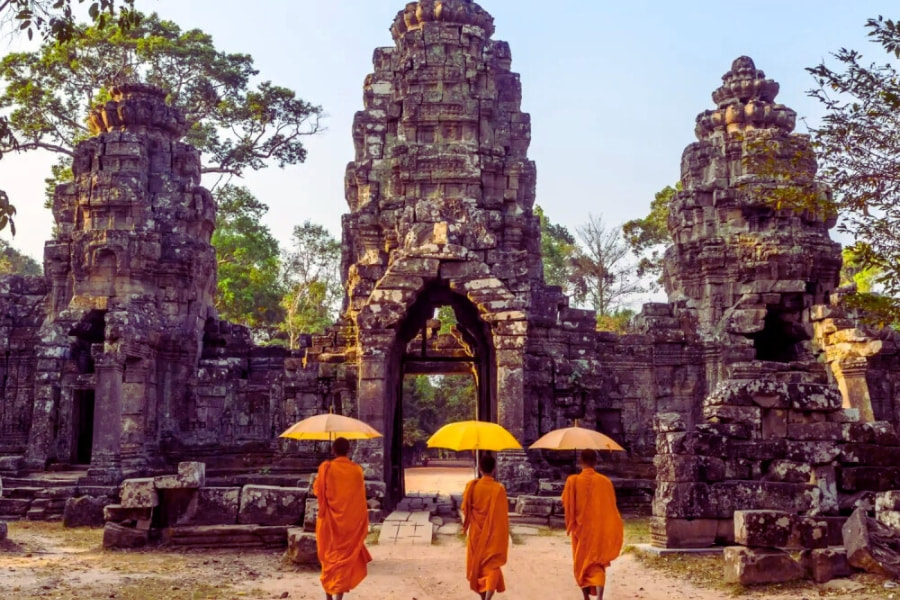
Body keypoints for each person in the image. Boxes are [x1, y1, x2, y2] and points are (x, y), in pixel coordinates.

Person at [313, 436, 372, 600]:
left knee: (328, 557)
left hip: (329, 523)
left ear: (333, 450)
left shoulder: (326, 468)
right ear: (349, 450)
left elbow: (318, 492)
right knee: (344, 561)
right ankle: (339, 597)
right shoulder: (357, 470)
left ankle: (328, 597)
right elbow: (359, 499)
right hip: (350, 523)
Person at [561, 448, 624, 600]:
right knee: (597, 563)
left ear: (580, 461)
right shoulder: (605, 482)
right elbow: (611, 506)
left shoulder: (572, 481)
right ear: (595, 462)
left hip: (580, 530)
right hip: (599, 529)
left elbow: (566, 502)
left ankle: (586, 597)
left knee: (581, 563)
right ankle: (600, 596)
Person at [461, 454, 509, 599]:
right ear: (494, 469)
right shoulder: (498, 489)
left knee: (478, 566)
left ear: (480, 469)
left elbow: (464, 508)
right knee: (492, 565)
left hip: (476, 533)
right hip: (493, 534)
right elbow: (502, 515)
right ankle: (487, 597)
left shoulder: (472, 486)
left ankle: (484, 597)